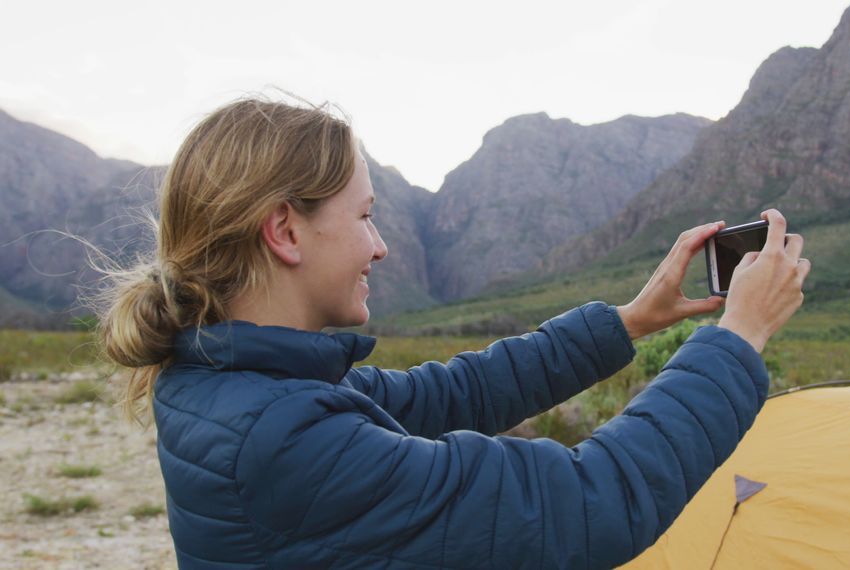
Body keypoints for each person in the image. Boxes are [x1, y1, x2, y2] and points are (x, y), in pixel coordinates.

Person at [96, 97, 809, 569]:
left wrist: (629, 321)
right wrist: (736, 337)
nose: (380, 246)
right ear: (285, 231)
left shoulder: (237, 381)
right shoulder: (285, 437)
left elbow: (452, 394)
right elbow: (594, 501)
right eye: (366, 216)